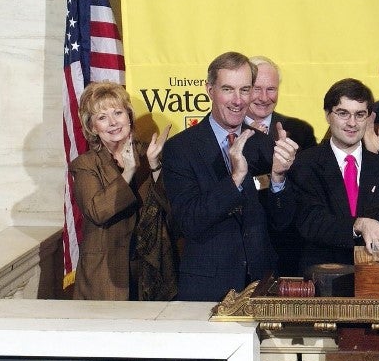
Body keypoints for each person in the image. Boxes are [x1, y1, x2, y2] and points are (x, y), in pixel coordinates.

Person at [162, 51, 298, 301]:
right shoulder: (180, 149)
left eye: (245, 90)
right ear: (210, 89)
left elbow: (282, 223)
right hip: (208, 289)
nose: (238, 100)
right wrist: (235, 180)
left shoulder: (265, 145)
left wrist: (279, 178)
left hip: (261, 286)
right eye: (228, 89)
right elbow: (189, 222)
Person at [70, 81, 175, 300]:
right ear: (92, 127)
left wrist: (155, 165)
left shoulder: (150, 153)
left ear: (129, 116)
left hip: (149, 270)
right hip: (105, 275)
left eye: (118, 113)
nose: (113, 122)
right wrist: (128, 171)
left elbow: (172, 208)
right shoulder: (86, 164)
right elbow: (97, 211)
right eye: (102, 117)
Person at [290, 78, 379, 272]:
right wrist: (359, 224)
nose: (352, 123)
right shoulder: (305, 163)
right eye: (343, 113)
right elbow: (311, 222)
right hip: (322, 278)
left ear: (369, 118)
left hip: (374, 276)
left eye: (359, 114)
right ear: (327, 115)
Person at [248, 55, 318, 275]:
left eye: (271, 89)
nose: (264, 97)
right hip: (239, 250)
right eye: (256, 89)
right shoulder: (227, 131)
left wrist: (265, 180)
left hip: (286, 249)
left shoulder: (299, 131)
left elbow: (303, 189)